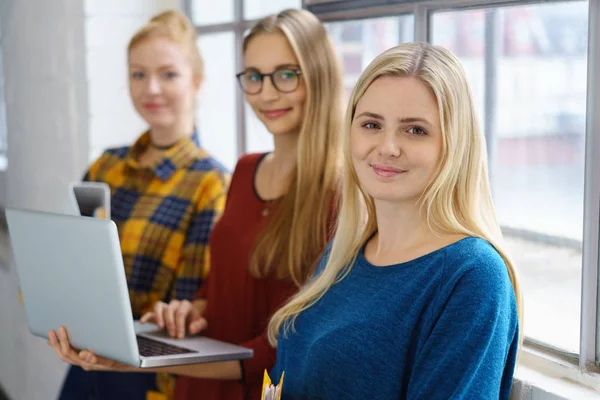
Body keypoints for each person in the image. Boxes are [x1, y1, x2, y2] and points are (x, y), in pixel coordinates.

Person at [48, 8, 345, 400]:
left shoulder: (341, 195)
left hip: (248, 386)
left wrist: (141, 357)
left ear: (318, 76)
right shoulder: (245, 170)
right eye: (254, 76)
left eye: (286, 74)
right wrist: (190, 310)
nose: (267, 92)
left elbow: (288, 346)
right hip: (195, 382)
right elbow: (219, 286)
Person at [267, 41, 523, 399]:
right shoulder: (344, 255)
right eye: (371, 124)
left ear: (454, 144)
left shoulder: (472, 277)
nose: (387, 146)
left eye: (415, 130)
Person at [56, 10, 229, 400]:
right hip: (85, 360)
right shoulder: (107, 166)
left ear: (196, 82)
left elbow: (187, 311)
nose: (151, 88)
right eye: (138, 74)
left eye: (168, 74)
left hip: (148, 375)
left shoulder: (211, 183)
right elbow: (70, 262)